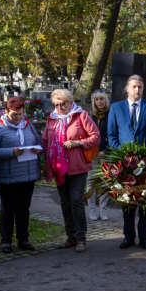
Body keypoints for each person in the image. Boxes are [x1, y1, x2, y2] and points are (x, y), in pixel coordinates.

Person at [107, 74, 146, 249]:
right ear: (127, 88)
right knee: (128, 200)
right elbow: (111, 134)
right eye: (134, 86)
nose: (137, 90)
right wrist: (121, 154)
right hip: (124, 164)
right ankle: (128, 236)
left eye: (140, 87)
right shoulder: (116, 108)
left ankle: (144, 237)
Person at [43, 88, 100, 252]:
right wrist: (48, 158)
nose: (60, 107)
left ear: (70, 102)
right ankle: (71, 237)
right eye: (57, 104)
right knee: (65, 202)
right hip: (59, 167)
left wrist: (78, 143)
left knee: (76, 200)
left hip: (77, 166)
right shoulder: (51, 119)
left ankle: (81, 238)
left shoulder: (81, 116)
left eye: (63, 103)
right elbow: (45, 140)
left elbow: (96, 136)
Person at [0, 96, 41, 253]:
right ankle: (6, 241)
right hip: (8, 176)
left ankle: (23, 239)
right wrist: (11, 152)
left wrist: (38, 149)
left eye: (20, 114)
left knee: (24, 208)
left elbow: (38, 142)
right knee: (8, 208)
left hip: (28, 174)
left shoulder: (28, 125)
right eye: (14, 115)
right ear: (6, 112)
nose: (18, 118)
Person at [86, 89, 111, 221]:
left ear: (106, 100)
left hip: (107, 153)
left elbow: (113, 135)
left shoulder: (111, 114)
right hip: (93, 153)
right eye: (97, 99)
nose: (99, 102)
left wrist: (106, 150)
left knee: (105, 181)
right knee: (91, 181)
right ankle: (92, 209)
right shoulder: (90, 116)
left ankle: (103, 209)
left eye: (101, 99)